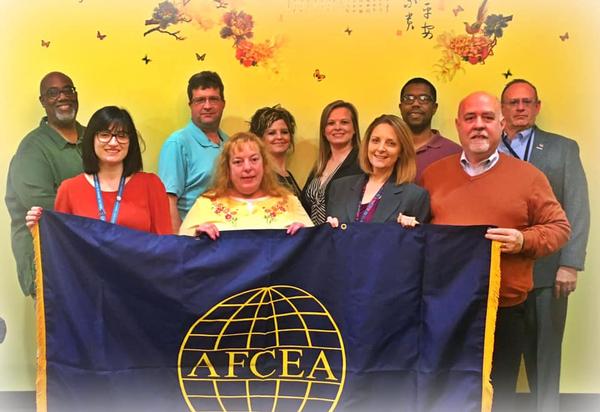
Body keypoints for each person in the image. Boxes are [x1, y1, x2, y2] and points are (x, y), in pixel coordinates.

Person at [421, 92, 571, 412]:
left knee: (499, 396)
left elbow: (560, 228)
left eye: (487, 118)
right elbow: (420, 234)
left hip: (504, 310)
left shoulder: (528, 177)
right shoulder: (433, 175)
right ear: (458, 125)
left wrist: (523, 240)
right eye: (471, 118)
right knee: (447, 393)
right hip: (447, 311)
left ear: (501, 125)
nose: (479, 126)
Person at [499, 79, 590, 412]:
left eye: (527, 102)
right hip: (499, 273)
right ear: (502, 109)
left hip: (548, 271)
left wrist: (570, 263)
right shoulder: (486, 147)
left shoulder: (562, 148)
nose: (520, 108)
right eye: (513, 102)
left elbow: (577, 207)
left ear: (537, 107)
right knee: (498, 359)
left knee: (545, 357)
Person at [26, 106, 172, 235]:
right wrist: (40, 228)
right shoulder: (69, 190)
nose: (114, 142)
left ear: (130, 142)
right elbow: (62, 246)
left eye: (122, 135)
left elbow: (165, 245)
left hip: (140, 267)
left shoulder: (151, 185)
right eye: (104, 135)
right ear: (91, 139)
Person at [5, 71, 85, 297]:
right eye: (53, 93)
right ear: (43, 101)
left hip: (91, 261)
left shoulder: (94, 139)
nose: (62, 97)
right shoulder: (31, 150)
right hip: (52, 266)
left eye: (68, 90)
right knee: (60, 332)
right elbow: (46, 211)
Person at [179, 132, 312, 238]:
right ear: (227, 168)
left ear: (264, 164)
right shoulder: (206, 203)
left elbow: (316, 249)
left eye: (254, 159)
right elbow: (181, 253)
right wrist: (196, 238)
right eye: (238, 162)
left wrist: (305, 236)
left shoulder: (288, 201)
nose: (247, 167)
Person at [326, 114, 430, 225]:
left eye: (391, 143)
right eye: (375, 141)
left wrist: (410, 231)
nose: (381, 148)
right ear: (367, 144)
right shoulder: (339, 187)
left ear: (401, 151)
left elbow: (417, 241)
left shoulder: (415, 196)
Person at [158, 71, 228, 233]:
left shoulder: (230, 143)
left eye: (213, 99)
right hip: (193, 240)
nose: (208, 106)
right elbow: (168, 201)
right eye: (200, 100)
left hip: (226, 237)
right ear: (191, 105)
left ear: (223, 103)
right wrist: (180, 245)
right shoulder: (177, 143)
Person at [301, 100, 362, 224]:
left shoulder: (363, 163)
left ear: (354, 128)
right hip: (315, 239)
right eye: (331, 123)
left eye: (344, 122)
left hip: (342, 238)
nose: (337, 127)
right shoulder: (320, 165)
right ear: (324, 130)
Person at [398, 77, 461, 182]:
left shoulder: (454, 152)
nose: (415, 104)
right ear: (400, 107)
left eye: (424, 99)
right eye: (408, 98)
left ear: (434, 108)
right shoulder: (386, 149)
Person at [249, 105, 302, 198]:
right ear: (259, 138)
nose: (279, 137)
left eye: (284, 132)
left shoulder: (287, 175)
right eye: (271, 133)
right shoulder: (259, 176)